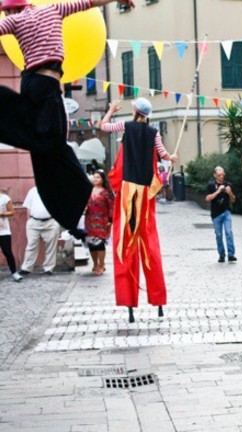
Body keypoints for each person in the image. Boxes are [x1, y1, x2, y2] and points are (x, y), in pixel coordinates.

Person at [0, 0, 134, 230]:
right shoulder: (55, 9)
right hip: (47, 85)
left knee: (44, 145)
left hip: (34, 85)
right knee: (51, 143)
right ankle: (78, 206)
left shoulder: (14, 19)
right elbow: (90, 2)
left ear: (13, 9)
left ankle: (74, 211)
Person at [101, 97, 177, 322]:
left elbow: (103, 126)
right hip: (145, 194)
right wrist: (171, 157)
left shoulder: (127, 125)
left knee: (125, 245)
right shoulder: (154, 133)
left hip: (127, 191)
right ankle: (159, 302)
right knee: (149, 243)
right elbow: (164, 154)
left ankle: (128, 303)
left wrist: (110, 110)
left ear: (134, 111)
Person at [18, 186, 61, 275]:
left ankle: (48, 269)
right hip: (34, 221)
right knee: (31, 245)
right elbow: (28, 207)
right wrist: (29, 220)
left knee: (51, 246)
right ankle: (26, 268)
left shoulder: (54, 190)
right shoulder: (32, 191)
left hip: (51, 221)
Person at [84, 169, 114, 275]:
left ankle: (101, 264)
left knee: (100, 244)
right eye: (94, 177)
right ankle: (95, 264)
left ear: (102, 179)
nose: (95, 179)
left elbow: (111, 206)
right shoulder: (88, 190)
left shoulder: (106, 192)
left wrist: (111, 220)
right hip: (89, 220)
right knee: (91, 243)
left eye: (98, 177)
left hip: (102, 221)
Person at [205, 166, 237, 263]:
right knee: (218, 235)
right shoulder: (211, 186)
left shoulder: (228, 185)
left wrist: (230, 193)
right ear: (215, 175)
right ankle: (221, 255)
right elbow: (207, 198)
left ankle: (231, 254)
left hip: (226, 212)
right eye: (219, 175)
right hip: (216, 214)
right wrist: (218, 191)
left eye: (223, 174)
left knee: (229, 232)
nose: (221, 177)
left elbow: (233, 200)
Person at [0, 188, 22, 281]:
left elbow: (12, 212)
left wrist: (2, 214)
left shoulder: (4, 198)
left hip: (3, 231)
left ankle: (14, 273)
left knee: (7, 252)